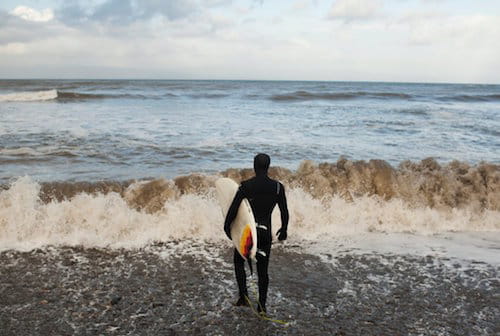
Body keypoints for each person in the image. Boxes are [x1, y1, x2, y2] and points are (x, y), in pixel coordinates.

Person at [224, 153, 289, 314]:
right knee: (263, 270)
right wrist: (284, 229)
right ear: (268, 166)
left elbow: (233, 210)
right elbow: (284, 211)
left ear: (254, 166)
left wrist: (227, 227)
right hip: (265, 234)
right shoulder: (278, 187)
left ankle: (243, 297)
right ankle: (262, 305)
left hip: (248, 233)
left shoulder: (246, 186)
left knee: (239, 262)